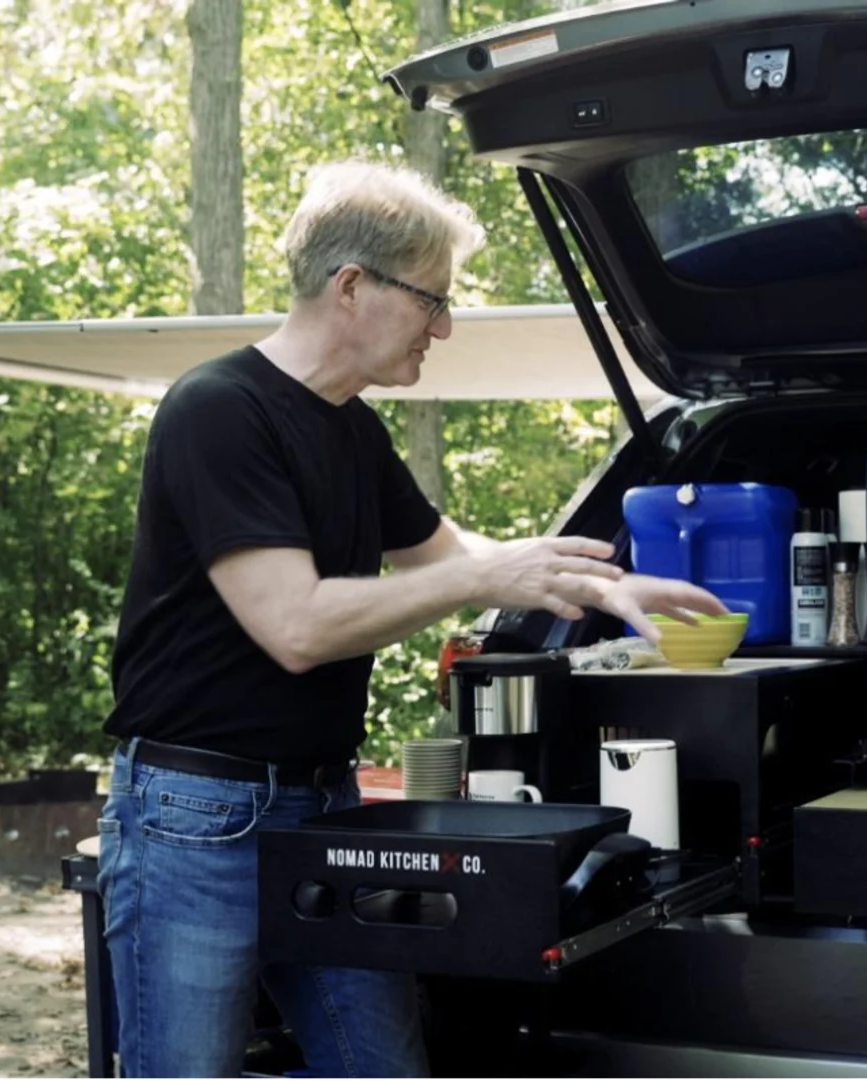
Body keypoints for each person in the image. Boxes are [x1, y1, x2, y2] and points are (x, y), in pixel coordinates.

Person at [95, 160, 726, 1078]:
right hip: (197, 822)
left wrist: (603, 588)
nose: (446, 325)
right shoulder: (218, 410)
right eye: (432, 299)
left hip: (323, 807)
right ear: (350, 286)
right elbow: (297, 625)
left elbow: (448, 558)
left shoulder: (352, 427)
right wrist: (485, 576)